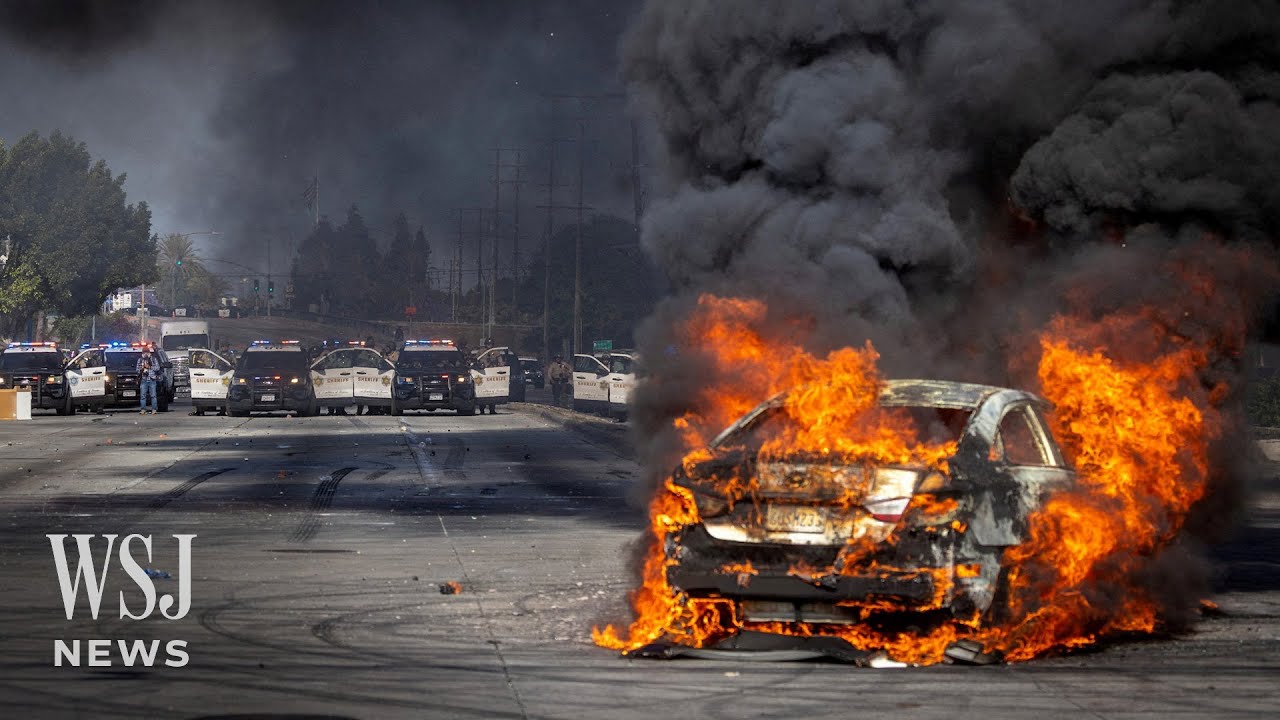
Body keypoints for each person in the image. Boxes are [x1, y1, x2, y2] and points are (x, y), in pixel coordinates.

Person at [137, 348, 159, 415]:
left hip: (152, 379)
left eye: (147, 352)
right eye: (144, 352)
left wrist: (149, 367)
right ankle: (143, 409)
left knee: (153, 395)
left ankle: (154, 409)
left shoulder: (153, 359)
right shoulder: (140, 360)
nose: (146, 354)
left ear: (149, 353)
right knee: (143, 396)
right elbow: (137, 370)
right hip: (144, 379)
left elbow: (157, 368)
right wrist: (141, 368)